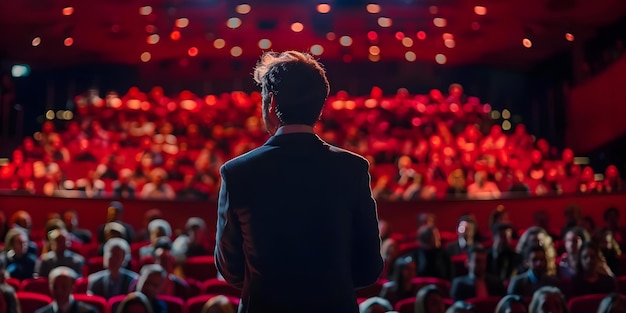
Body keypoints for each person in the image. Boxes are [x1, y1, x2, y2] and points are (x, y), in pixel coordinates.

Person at [215, 51, 383, 313]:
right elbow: (368, 268)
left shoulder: (237, 172)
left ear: (271, 103)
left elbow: (231, 269)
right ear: (320, 105)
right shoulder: (353, 169)